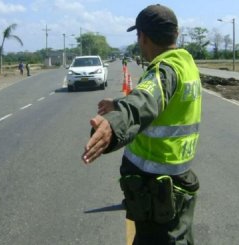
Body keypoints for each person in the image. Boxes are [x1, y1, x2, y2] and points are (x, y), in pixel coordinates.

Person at [82, 4, 201, 245]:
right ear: (175, 35)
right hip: (180, 181)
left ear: (143, 37)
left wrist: (114, 125)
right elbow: (157, 101)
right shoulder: (186, 64)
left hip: (157, 191)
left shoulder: (163, 70)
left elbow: (145, 100)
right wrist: (119, 103)